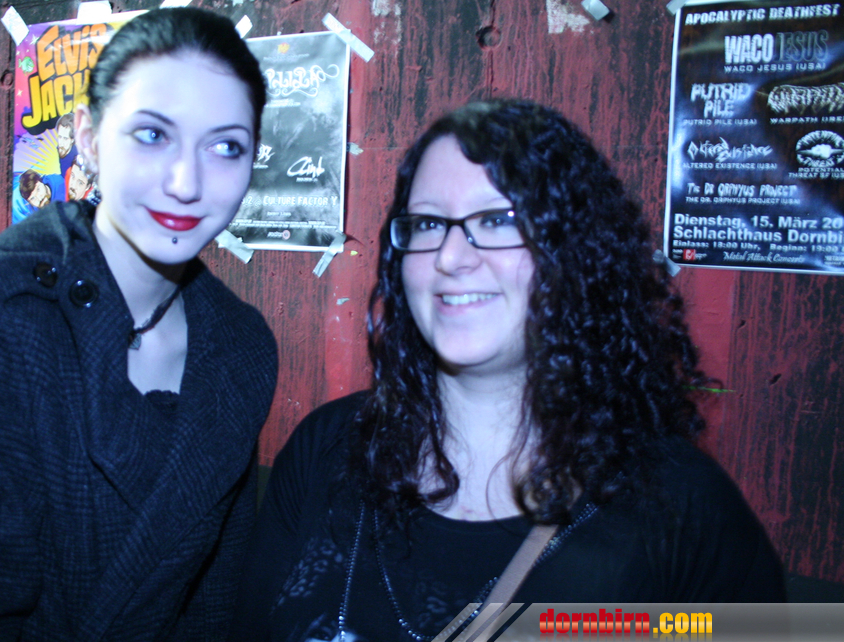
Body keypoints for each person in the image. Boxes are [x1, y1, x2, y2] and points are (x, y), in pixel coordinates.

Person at [234, 99, 785, 642]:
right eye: (428, 224)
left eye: (497, 220)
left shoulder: (684, 511)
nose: (450, 256)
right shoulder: (326, 449)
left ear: (573, 251)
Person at [0, 7, 276, 641]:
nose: (186, 182)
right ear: (87, 137)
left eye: (225, 147)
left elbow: (217, 608)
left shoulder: (243, 348)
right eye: (152, 135)